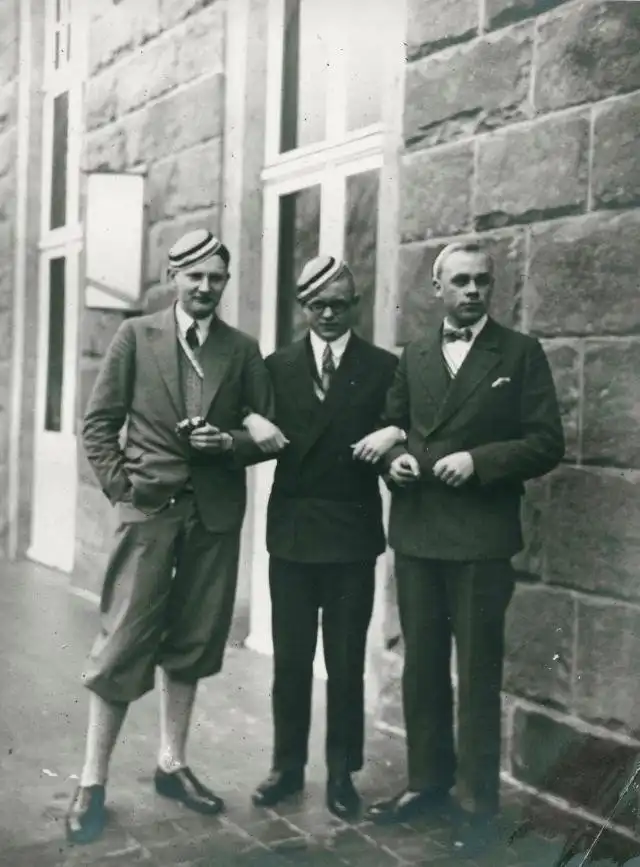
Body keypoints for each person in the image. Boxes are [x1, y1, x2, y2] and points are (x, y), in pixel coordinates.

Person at [66, 229, 278, 844]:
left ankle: (171, 763)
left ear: (226, 282)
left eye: (216, 278)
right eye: (195, 276)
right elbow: (98, 424)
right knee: (123, 641)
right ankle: (91, 781)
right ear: (172, 277)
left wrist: (227, 443)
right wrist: (123, 491)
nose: (206, 287)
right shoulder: (137, 336)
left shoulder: (242, 349)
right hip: (149, 512)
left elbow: (267, 433)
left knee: (192, 640)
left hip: (212, 516)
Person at [356, 240, 565, 855]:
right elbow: (394, 426)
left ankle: (477, 802)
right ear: (437, 289)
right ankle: (426, 782)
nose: (473, 291)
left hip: (480, 538)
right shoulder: (416, 354)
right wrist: (394, 462)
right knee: (421, 666)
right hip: (419, 532)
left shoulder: (520, 354)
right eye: (461, 281)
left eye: (482, 281)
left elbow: (546, 442)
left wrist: (479, 461)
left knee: (476, 671)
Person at [244, 255, 398, 819]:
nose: (328, 314)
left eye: (338, 304)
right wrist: (250, 422)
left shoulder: (381, 367)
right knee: (290, 659)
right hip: (292, 534)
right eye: (317, 305)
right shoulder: (276, 366)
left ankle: (341, 772)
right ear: (302, 308)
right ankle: (286, 767)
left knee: (346, 660)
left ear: (355, 305)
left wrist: (394, 434)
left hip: (351, 534)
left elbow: (405, 423)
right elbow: (246, 420)